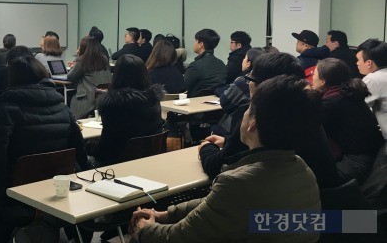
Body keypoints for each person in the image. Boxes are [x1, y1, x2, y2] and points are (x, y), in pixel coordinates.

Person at [130, 75, 321, 243]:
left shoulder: (239, 183)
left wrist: (145, 229)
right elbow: (215, 207)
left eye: (249, 108)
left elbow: (179, 237)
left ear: (252, 124)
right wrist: (164, 214)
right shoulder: (302, 169)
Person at [0, 56, 89, 242]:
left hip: (16, 197)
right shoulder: (62, 106)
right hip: (57, 191)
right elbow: (79, 151)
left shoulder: (6, 108)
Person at [199, 52, 340, 189]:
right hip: (322, 200)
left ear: (266, 85)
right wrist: (227, 141)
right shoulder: (304, 112)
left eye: (250, 79)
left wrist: (206, 147)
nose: (248, 84)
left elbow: (216, 166)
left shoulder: (263, 116)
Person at [312, 58, 383, 183]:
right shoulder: (349, 92)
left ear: (323, 81)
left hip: (356, 161)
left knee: (315, 179)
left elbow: (310, 126)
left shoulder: (331, 101)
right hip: (373, 154)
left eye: (315, 74)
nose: (312, 76)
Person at [88, 55, 164, 166]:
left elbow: (105, 150)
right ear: (144, 74)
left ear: (117, 76)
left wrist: (89, 147)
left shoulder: (112, 106)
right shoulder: (154, 100)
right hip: (149, 161)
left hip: (116, 164)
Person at [67, 36, 112, 119]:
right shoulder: (104, 59)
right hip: (103, 99)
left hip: (86, 100)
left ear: (83, 48)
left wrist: (74, 65)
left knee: (68, 96)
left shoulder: (82, 60)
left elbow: (70, 77)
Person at [356, 39, 387, 140]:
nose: (357, 63)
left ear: (369, 63)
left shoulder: (373, 79)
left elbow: (359, 106)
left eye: (358, 60)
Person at [183, 29, 226, 96]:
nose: (194, 43)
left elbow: (183, 87)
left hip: (194, 103)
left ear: (201, 44)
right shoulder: (221, 64)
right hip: (216, 102)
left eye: (195, 41)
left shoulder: (195, 66)